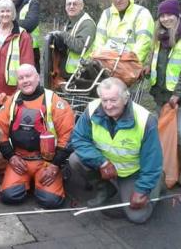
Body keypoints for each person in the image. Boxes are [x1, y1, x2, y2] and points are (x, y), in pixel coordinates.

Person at [69, 77, 163, 224]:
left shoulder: (146, 120)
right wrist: (102, 162)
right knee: (75, 159)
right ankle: (105, 189)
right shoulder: (92, 109)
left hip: (133, 172)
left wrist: (142, 190)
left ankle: (156, 184)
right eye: (104, 100)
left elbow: (152, 160)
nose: (108, 106)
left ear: (125, 99)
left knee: (138, 217)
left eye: (113, 100)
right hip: (107, 166)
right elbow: (78, 139)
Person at [0, 64, 74, 208]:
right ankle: (28, 181)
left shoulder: (54, 101)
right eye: (21, 78)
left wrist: (55, 165)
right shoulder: (11, 102)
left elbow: (67, 136)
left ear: (37, 77)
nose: (25, 81)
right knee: (9, 196)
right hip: (20, 161)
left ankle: (54, 176)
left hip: (47, 163)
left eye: (29, 76)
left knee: (51, 201)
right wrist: (10, 156)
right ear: (17, 82)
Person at [149, 0, 181, 186]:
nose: (165, 18)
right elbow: (155, 60)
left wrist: (178, 93)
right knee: (162, 130)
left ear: (178, 14)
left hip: (180, 97)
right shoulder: (160, 36)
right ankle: (167, 167)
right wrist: (147, 69)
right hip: (162, 94)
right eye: (162, 15)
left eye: (169, 14)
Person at [0, 0, 34, 120]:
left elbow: (28, 64)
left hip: (11, 90)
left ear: (13, 14)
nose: (5, 14)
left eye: (8, 11)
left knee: (11, 123)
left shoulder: (22, 35)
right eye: (2, 11)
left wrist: (22, 89)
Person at [92, 0, 154, 65]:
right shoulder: (106, 14)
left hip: (131, 66)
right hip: (107, 63)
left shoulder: (142, 13)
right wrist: (98, 59)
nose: (118, 0)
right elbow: (99, 40)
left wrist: (130, 63)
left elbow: (144, 42)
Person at [49, 0, 96, 80]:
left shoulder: (87, 24)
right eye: (69, 4)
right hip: (70, 74)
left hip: (81, 75)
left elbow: (80, 47)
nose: (71, 6)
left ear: (82, 6)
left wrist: (62, 35)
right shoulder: (71, 22)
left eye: (75, 4)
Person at [2, 0, 41, 72]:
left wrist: (6, 24)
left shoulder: (32, 3)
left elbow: (30, 24)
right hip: (9, 51)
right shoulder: (4, 6)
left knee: (29, 84)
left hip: (30, 52)